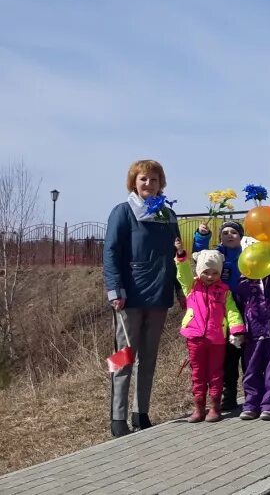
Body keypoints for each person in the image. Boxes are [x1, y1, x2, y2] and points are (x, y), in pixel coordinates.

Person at [102, 159, 184, 438]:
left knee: (149, 358)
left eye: (154, 180)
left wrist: (180, 290)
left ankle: (142, 413)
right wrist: (115, 289)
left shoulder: (168, 215)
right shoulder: (123, 212)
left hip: (158, 295)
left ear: (161, 184)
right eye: (143, 180)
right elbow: (111, 253)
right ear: (133, 183)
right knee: (123, 357)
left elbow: (175, 256)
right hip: (129, 298)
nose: (148, 184)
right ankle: (117, 417)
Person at [175, 249, 245, 423]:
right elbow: (182, 274)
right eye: (206, 272)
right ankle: (198, 408)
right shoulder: (192, 287)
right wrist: (181, 258)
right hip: (195, 338)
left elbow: (232, 311)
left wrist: (236, 329)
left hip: (216, 340)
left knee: (215, 374)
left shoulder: (224, 290)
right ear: (199, 271)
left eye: (215, 273)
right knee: (198, 374)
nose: (210, 276)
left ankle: (215, 407)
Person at [193, 219, 246, 411]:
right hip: (222, 309)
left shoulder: (247, 252)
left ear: (241, 236)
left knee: (247, 354)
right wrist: (202, 236)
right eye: (225, 232)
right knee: (227, 357)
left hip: (246, 306)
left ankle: (251, 394)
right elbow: (200, 256)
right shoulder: (218, 254)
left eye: (234, 232)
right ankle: (228, 396)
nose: (229, 235)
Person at [234, 256, 270, 420]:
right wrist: (238, 331)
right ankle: (250, 404)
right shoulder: (242, 284)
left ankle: (269, 405)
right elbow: (237, 307)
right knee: (251, 368)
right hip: (253, 332)